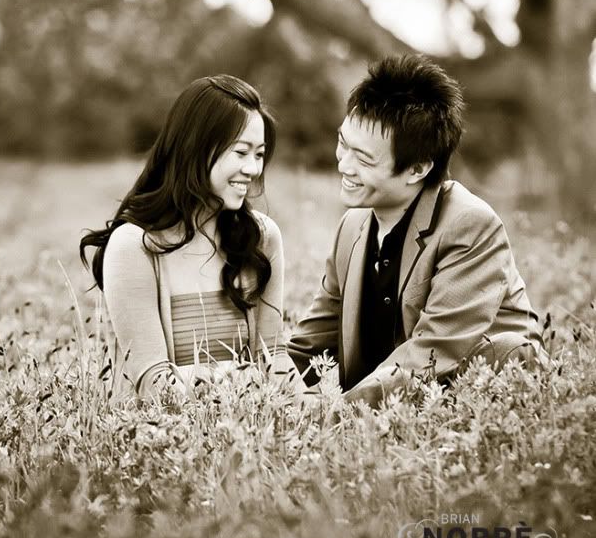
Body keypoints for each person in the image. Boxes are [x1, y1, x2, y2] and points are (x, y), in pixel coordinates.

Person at [287, 54, 544, 408]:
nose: (343, 164)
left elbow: (433, 351)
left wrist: (334, 414)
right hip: (386, 418)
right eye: (343, 144)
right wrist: (256, 387)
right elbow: (308, 345)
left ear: (418, 168)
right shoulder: (352, 227)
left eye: (363, 159)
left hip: (485, 410)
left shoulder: (469, 224)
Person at [80, 74, 297, 399]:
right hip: (162, 442)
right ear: (198, 148)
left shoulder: (262, 238)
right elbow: (155, 385)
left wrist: (323, 412)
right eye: (241, 152)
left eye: (259, 154)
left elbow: (274, 357)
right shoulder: (133, 246)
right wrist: (245, 379)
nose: (253, 169)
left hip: (249, 440)